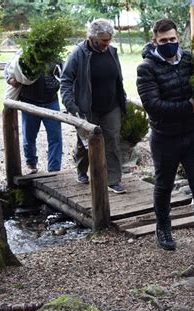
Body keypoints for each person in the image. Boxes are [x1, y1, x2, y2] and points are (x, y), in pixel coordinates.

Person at [136, 18, 194, 256]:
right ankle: (163, 228)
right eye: (163, 41)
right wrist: (191, 107)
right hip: (165, 137)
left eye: (172, 39)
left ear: (178, 38)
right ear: (155, 41)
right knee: (164, 185)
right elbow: (153, 105)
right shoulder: (146, 68)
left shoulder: (189, 60)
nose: (169, 44)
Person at [61, 19, 127, 194]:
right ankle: (82, 170)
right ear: (92, 38)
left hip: (111, 106)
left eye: (109, 39)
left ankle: (113, 180)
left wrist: (122, 99)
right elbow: (66, 80)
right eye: (104, 40)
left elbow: (118, 79)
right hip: (87, 108)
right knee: (86, 143)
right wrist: (70, 104)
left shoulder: (112, 52)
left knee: (112, 141)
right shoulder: (78, 54)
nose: (107, 43)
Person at [4, 51, 63, 174]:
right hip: (30, 101)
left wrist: (56, 84)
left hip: (51, 101)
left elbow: (64, 72)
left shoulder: (54, 55)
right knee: (29, 136)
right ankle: (31, 164)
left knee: (55, 137)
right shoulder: (24, 54)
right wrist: (10, 80)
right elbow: (9, 68)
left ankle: (54, 169)